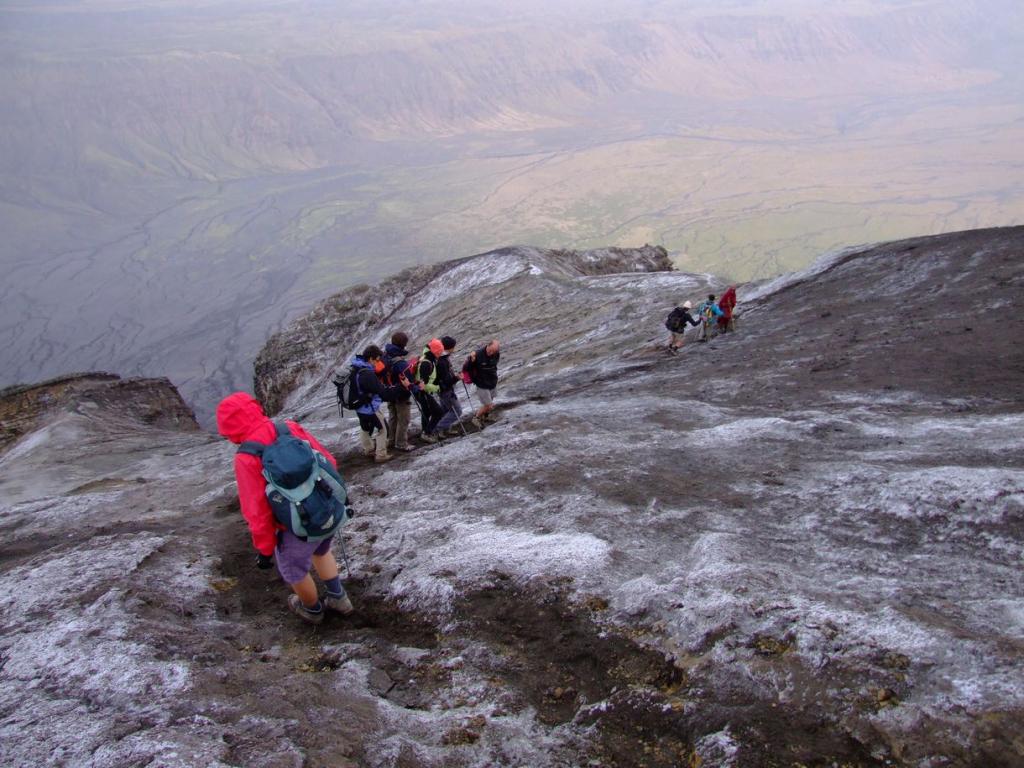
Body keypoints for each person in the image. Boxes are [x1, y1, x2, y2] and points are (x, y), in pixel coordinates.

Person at [215, 391, 354, 625]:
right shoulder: (288, 428)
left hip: (293, 527)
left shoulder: (247, 457)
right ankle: (339, 598)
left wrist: (265, 550)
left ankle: (312, 609)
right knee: (321, 551)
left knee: (294, 571)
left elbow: (256, 510)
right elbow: (327, 461)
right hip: (324, 511)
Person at [348, 345, 408, 463]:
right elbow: (384, 393)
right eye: (377, 360)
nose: (378, 362)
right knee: (383, 430)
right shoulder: (368, 374)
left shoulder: (355, 367)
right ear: (371, 359)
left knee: (365, 428)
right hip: (370, 408)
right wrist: (402, 386)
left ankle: (368, 449)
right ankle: (381, 455)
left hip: (359, 407)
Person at [383, 331, 415, 452]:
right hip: (401, 393)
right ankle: (401, 443)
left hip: (389, 391)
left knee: (393, 416)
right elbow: (409, 380)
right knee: (404, 419)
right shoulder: (400, 362)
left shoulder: (385, 355)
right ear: (403, 345)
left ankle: (391, 440)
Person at [414, 338, 445, 443]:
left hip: (420, 393)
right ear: (435, 351)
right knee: (438, 412)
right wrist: (437, 387)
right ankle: (427, 433)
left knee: (426, 412)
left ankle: (425, 432)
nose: (441, 354)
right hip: (423, 393)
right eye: (440, 352)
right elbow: (424, 384)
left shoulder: (427, 358)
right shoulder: (427, 363)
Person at [463, 339, 500, 426]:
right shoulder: (477, 354)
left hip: (492, 381)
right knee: (488, 405)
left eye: (493, 351)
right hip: (481, 383)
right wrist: (471, 360)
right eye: (490, 350)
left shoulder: (496, 353)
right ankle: (476, 418)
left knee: (491, 399)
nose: (491, 353)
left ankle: (486, 416)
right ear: (487, 345)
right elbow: (467, 368)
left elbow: (494, 365)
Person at [433, 336, 464, 437]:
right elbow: (446, 381)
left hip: (441, 389)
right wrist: (457, 378)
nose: (454, 349)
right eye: (453, 347)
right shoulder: (442, 361)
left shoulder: (439, 358)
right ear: (449, 348)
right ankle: (438, 428)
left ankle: (445, 430)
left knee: (446, 410)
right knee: (457, 411)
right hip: (446, 390)